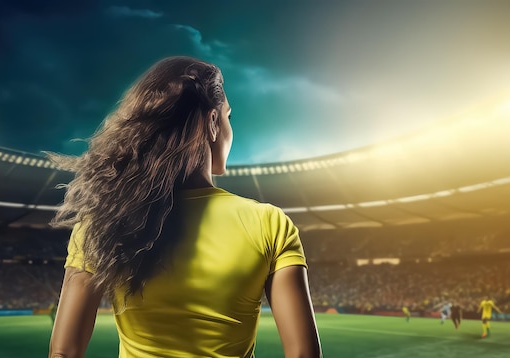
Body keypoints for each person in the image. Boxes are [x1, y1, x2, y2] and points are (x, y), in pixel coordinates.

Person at [47, 56, 322, 358]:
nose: (230, 128)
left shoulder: (102, 223)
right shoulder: (270, 223)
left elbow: (64, 353)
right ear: (213, 122)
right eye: (229, 117)